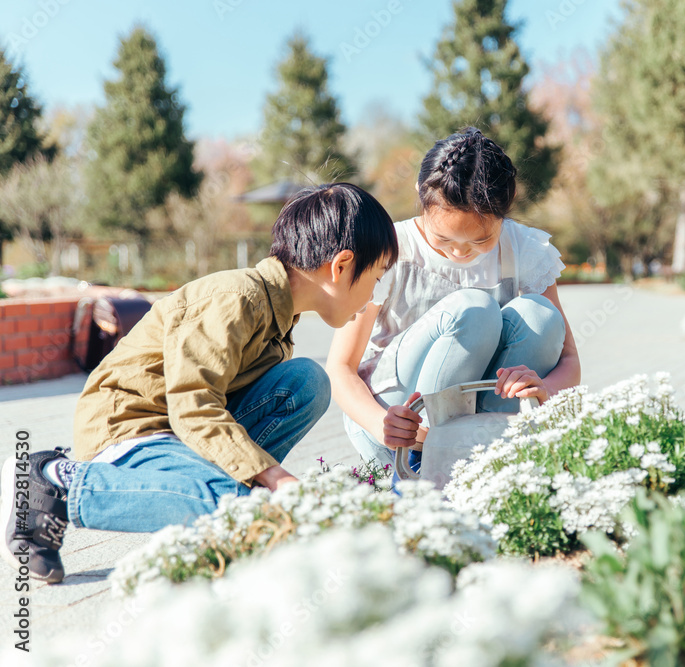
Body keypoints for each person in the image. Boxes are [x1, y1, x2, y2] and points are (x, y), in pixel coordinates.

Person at [1, 183, 398, 584]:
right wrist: (273, 476)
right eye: (377, 277)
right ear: (342, 265)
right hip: (131, 427)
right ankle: (52, 480)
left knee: (306, 382)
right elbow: (194, 407)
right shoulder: (236, 298)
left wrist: (259, 476)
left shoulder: (279, 321)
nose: (374, 295)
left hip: (178, 433)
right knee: (233, 507)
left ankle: (217, 493)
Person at [326, 127, 581, 473]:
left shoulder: (524, 249)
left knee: (540, 317)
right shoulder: (390, 249)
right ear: (421, 195)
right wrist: (379, 423)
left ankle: (484, 460)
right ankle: (421, 466)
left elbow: (570, 360)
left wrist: (544, 389)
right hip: (396, 422)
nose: (460, 252)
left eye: (480, 241)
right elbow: (340, 366)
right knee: (474, 310)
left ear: (505, 211)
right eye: (443, 238)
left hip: (473, 425)